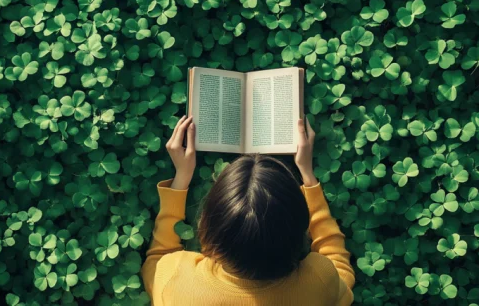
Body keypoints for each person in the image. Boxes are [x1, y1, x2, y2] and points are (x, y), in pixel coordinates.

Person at [141, 115, 355, 305]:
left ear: (207, 229)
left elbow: (157, 260)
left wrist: (181, 178)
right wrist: (307, 176)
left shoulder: (175, 281)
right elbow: (339, 267)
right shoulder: (320, 282)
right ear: (300, 231)